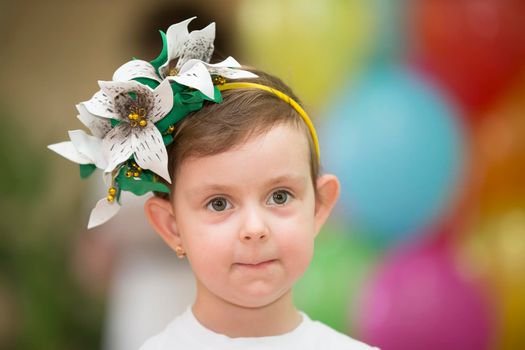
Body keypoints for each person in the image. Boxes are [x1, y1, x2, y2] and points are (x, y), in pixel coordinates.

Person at [48, 18, 379, 349]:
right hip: (151, 306)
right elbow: (94, 258)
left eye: (279, 196)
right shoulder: (121, 153)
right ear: (170, 224)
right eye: (219, 202)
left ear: (318, 206)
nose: (254, 227)